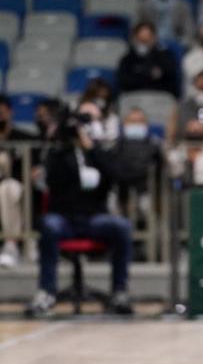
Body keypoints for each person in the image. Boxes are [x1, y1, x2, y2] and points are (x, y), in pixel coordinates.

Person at [27, 107, 133, 316]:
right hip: (64, 218)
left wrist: (91, 149)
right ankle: (46, 292)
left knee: (121, 226)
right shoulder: (57, 153)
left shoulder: (102, 152)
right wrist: (61, 142)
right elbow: (51, 180)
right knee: (48, 224)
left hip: (94, 218)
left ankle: (119, 291)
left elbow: (116, 175)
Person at [0, 95, 35, 267]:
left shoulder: (25, 137)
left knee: (8, 188)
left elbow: (35, 168)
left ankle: (11, 244)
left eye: (2, 112)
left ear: (10, 112)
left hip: (20, 186)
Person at [117, 21, 180, 97]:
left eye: (147, 39)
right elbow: (124, 82)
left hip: (160, 97)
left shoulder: (165, 56)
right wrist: (150, 76)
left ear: (154, 38)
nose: (144, 42)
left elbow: (170, 82)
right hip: (134, 96)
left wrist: (139, 75)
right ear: (135, 38)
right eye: (141, 39)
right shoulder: (127, 59)